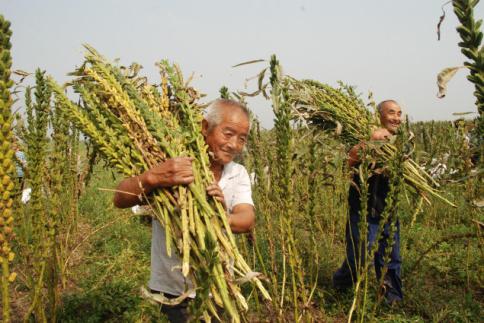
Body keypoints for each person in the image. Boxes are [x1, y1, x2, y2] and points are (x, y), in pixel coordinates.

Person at [113, 99, 255, 322]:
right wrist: (153, 177)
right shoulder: (172, 164)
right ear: (205, 127)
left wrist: (220, 216)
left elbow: (246, 219)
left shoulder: (237, 173)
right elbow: (120, 198)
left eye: (242, 138)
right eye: (227, 134)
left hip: (218, 287)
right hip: (171, 290)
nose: (234, 145)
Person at [333, 100, 404, 304]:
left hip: (388, 209)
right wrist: (370, 141)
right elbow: (347, 162)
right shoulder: (362, 136)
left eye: (399, 113)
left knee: (391, 258)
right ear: (379, 115)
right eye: (391, 113)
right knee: (359, 257)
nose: (397, 118)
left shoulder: (399, 143)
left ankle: (392, 301)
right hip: (363, 210)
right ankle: (341, 284)